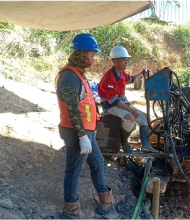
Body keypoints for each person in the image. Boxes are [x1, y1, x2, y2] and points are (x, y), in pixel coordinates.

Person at [56, 33, 119, 220]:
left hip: (86, 131)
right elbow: (72, 108)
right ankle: (71, 210)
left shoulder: (77, 74)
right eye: (91, 55)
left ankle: (105, 200)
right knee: (74, 170)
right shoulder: (68, 76)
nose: (93, 59)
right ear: (81, 53)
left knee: (98, 163)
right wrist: (82, 136)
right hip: (76, 131)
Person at [98, 45, 158, 154]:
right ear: (116, 62)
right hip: (110, 106)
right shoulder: (109, 78)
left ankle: (146, 146)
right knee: (130, 118)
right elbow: (114, 101)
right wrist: (131, 110)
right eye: (124, 60)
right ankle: (124, 141)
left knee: (144, 117)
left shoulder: (121, 74)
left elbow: (131, 79)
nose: (126, 62)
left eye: (127, 60)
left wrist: (142, 73)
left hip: (121, 103)